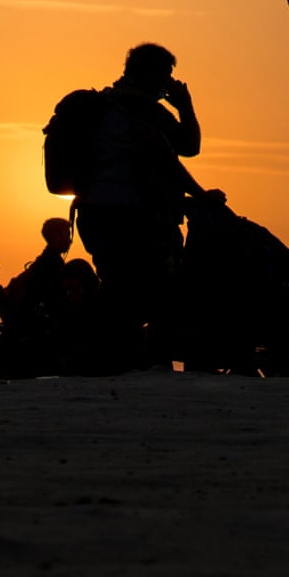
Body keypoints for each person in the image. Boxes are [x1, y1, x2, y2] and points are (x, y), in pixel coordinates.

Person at [74, 43, 208, 369]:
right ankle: (142, 361)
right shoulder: (143, 109)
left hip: (94, 213)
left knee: (119, 285)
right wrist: (185, 105)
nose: (169, 83)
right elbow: (184, 149)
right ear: (151, 74)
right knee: (158, 286)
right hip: (132, 215)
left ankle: (104, 357)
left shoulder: (104, 105)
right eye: (166, 75)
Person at [0, 215, 74, 374]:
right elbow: (56, 302)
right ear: (54, 237)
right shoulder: (51, 265)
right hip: (32, 326)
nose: (70, 240)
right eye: (66, 235)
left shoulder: (46, 262)